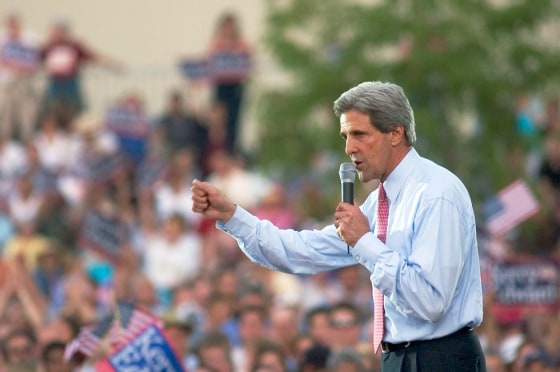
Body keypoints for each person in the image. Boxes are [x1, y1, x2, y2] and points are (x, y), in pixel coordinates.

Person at [191, 81, 486, 371]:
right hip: (397, 358)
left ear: (396, 133)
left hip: (441, 358)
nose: (348, 148)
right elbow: (301, 252)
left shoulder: (436, 193)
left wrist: (365, 242)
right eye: (345, 135)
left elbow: (431, 301)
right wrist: (232, 216)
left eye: (359, 134)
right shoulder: (380, 201)